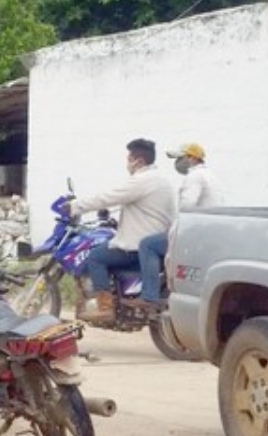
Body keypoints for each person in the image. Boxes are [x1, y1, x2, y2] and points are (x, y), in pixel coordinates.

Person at [69, 138, 176, 322]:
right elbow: (142, 208)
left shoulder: (140, 181)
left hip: (137, 246)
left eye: (129, 158)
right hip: (157, 239)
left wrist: (74, 206)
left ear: (139, 161)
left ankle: (105, 307)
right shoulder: (161, 180)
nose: (127, 163)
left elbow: (108, 197)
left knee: (95, 257)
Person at [133, 143, 223, 307]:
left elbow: (187, 207)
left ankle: (149, 296)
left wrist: (174, 227)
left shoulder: (194, 177)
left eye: (180, 158)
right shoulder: (210, 175)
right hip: (207, 230)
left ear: (192, 158)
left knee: (147, 245)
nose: (178, 162)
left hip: (192, 233)